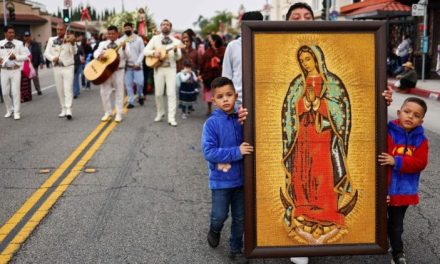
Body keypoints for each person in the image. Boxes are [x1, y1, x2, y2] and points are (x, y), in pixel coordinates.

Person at [201, 77, 254, 264]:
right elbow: (209, 152)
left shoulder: (241, 120)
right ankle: (215, 229)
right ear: (213, 100)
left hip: (242, 180)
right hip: (221, 181)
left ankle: (235, 248)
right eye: (220, 96)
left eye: (229, 95)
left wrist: (246, 122)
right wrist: (236, 152)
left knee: (240, 217)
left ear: (236, 96)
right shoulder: (211, 124)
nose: (225, 100)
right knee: (220, 215)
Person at [378, 97, 428, 264]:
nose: (410, 117)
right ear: (399, 113)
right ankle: (390, 247)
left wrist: (396, 161)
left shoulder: (421, 139)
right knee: (377, 217)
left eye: (416, 115)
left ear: (421, 120)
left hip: (404, 191)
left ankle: (395, 247)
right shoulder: (387, 131)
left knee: (396, 223)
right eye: (407, 112)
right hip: (383, 187)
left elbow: (420, 163)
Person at [144, 19, 182, 127]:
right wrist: (153, 52)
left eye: (167, 25)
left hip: (171, 69)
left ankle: (171, 117)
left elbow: (179, 57)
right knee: (158, 93)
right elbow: (145, 51)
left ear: (170, 27)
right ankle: (160, 113)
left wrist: (175, 51)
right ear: (161, 27)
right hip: (158, 68)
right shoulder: (155, 39)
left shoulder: (175, 41)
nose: (165, 26)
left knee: (171, 93)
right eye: (163, 24)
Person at [222, 11, 263, 105]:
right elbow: (226, 75)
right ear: (242, 26)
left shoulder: (267, 46)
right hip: (238, 101)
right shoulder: (233, 46)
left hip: (262, 100)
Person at [94, 25, 130, 123]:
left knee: (119, 92)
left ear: (117, 33)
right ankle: (107, 112)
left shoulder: (123, 43)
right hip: (106, 71)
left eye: (113, 33)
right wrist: (99, 55)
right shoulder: (103, 43)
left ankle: (118, 114)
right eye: (109, 34)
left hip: (119, 70)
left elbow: (128, 56)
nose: (110, 35)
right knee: (104, 92)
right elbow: (95, 53)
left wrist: (124, 48)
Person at [44, 23, 77, 120]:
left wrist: (72, 43)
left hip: (68, 67)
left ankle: (68, 109)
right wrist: (52, 58)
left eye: (61, 29)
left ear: (64, 30)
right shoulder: (51, 40)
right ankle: (63, 109)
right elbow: (46, 53)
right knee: (59, 89)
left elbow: (74, 52)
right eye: (57, 29)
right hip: (57, 67)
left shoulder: (69, 39)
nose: (59, 31)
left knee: (68, 89)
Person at [0, 25, 30, 120]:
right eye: (10, 32)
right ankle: (9, 110)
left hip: (15, 70)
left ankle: (17, 112)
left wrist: (16, 57)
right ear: (5, 33)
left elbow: (26, 56)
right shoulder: (0, 43)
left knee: (15, 92)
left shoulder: (19, 44)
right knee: (4, 92)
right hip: (4, 70)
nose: (12, 34)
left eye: (13, 32)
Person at [121, 22, 145, 108]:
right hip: (127, 67)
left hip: (137, 66)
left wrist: (138, 63)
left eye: (128, 28)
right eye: (125, 28)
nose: (127, 29)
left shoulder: (139, 39)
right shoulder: (122, 40)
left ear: (132, 28)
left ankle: (140, 95)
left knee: (140, 83)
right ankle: (131, 102)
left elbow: (142, 52)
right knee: (128, 85)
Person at [200, 34, 225, 115]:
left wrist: (219, 61)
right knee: (209, 93)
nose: (210, 41)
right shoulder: (208, 50)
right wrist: (201, 73)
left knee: (220, 92)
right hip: (208, 75)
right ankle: (209, 108)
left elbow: (225, 61)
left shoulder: (223, 50)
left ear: (215, 40)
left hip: (219, 74)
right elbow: (203, 62)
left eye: (211, 39)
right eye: (210, 40)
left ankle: (221, 108)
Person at [23, 31, 44, 95]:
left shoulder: (35, 44)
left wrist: (41, 62)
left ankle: (38, 90)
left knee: (35, 77)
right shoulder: (22, 45)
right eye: (26, 37)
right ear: (24, 37)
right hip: (25, 63)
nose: (27, 38)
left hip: (34, 63)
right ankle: (27, 91)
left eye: (28, 36)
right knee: (26, 78)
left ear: (30, 37)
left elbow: (40, 53)